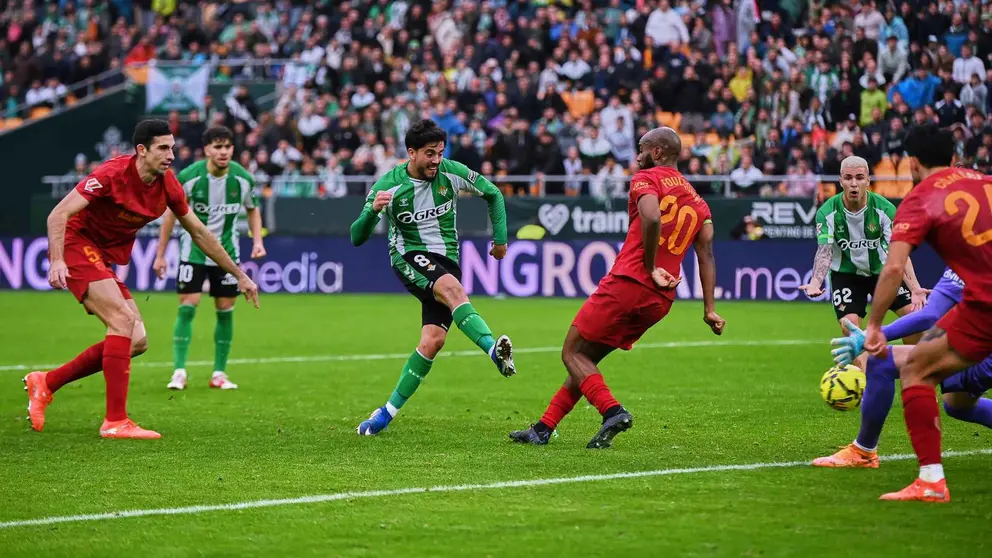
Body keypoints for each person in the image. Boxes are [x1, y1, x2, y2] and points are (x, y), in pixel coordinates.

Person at [23, 120, 259, 439]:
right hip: (77, 244)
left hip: (101, 257)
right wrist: (57, 260)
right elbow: (58, 214)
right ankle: (115, 422)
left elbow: (200, 233)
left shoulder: (168, 185)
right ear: (141, 150)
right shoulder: (112, 174)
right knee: (121, 321)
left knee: (136, 340)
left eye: (173, 148)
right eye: (163, 148)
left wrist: (239, 274)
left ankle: (46, 383)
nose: (171, 155)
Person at [509, 127, 726, 449]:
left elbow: (651, 218)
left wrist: (651, 267)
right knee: (586, 361)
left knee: (570, 352)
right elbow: (706, 252)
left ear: (657, 153)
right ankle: (543, 428)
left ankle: (612, 411)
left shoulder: (647, 179)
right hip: (660, 300)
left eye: (641, 149)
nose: (636, 156)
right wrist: (709, 308)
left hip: (630, 283)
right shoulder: (698, 201)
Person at [349, 118, 514, 436]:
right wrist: (371, 212)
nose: (436, 160)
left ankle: (385, 413)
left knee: (433, 341)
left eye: (440, 152)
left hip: (446, 260)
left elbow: (493, 194)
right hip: (408, 256)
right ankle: (494, 350)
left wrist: (501, 239)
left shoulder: (451, 172)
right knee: (452, 289)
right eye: (429, 153)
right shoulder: (389, 185)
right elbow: (356, 236)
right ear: (411, 153)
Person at [861, 123, 992, 502]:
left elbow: (892, 268)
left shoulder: (919, 199)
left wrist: (873, 325)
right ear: (954, 157)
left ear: (912, 163)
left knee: (917, 370)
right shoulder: (985, 181)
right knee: (954, 400)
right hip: (976, 305)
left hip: (985, 304)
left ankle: (931, 480)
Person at [815, 267, 992, 468]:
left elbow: (929, 316)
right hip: (974, 344)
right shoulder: (968, 255)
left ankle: (863, 451)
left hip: (979, 349)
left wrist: (872, 335)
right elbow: (931, 314)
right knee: (957, 405)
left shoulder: (975, 256)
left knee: (881, 362)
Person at [152, 126, 266, 391]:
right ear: (206, 150)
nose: (223, 152)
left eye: (227, 146)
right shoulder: (189, 177)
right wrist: (160, 255)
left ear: (233, 149)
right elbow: (170, 215)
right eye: (217, 146)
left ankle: (219, 374)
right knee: (188, 306)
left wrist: (258, 241)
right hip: (192, 252)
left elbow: (253, 209)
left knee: (225, 311)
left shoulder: (243, 179)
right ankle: (179, 371)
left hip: (227, 254)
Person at [800, 156, 928, 371]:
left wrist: (915, 288)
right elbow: (824, 252)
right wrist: (815, 281)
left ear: (868, 180)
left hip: (883, 273)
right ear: (840, 181)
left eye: (859, 177)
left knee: (913, 320)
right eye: (848, 178)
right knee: (850, 330)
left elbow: (899, 253)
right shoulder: (827, 212)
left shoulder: (885, 210)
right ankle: (865, 383)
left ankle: (916, 378)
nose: (853, 183)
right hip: (846, 275)